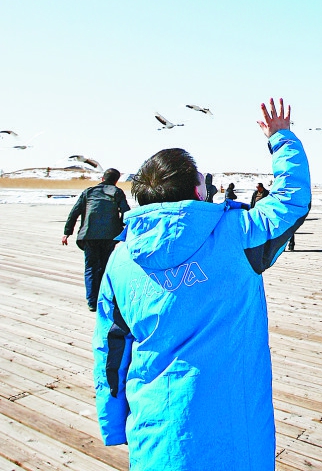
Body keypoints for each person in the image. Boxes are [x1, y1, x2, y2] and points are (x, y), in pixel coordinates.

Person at [92, 99, 310, 471]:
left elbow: (110, 352)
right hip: (235, 435)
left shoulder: (120, 259)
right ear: (198, 191)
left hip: (158, 434)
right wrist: (281, 139)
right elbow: (292, 201)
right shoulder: (236, 235)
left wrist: (113, 423)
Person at [62, 168, 130, 311]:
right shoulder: (117, 192)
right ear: (116, 180)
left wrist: (67, 232)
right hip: (109, 236)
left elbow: (74, 212)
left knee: (91, 267)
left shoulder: (88, 192)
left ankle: (92, 302)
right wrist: (127, 229)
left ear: (102, 178)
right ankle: (104, 298)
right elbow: (126, 212)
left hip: (89, 235)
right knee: (105, 266)